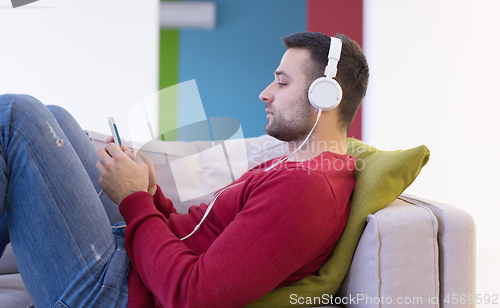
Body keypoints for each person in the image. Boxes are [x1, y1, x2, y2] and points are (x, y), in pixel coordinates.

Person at [0, 31, 368, 308]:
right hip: (137, 267)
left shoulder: (307, 191)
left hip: (116, 294)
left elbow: (192, 295)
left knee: (18, 118)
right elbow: (197, 233)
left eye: (282, 82)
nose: (265, 93)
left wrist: (135, 200)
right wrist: (151, 195)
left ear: (326, 97)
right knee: (58, 118)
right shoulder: (292, 167)